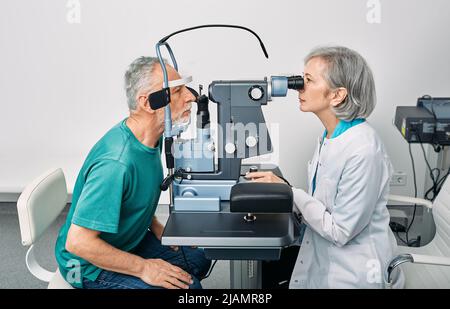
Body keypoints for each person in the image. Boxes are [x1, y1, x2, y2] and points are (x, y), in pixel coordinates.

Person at [246, 46, 404, 288]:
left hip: (355, 270)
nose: (298, 86)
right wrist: (282, 196)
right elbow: (325, 202)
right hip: (324, 253)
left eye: (308, 80)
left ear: (337, 95)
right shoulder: (331, 136)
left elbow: (340, 231)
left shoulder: (363, 150)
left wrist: (289, 193)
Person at [55, 56, 211, 289]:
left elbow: (132, 196)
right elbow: (78, 243)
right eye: (177, 91)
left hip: (127, 241)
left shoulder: (150, 138)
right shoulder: (116, 164)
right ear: (149, 103)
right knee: (189, 289)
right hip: (85, 266)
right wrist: (144, 268)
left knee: (200, 257)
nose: (191, 97)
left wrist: (155, 224)